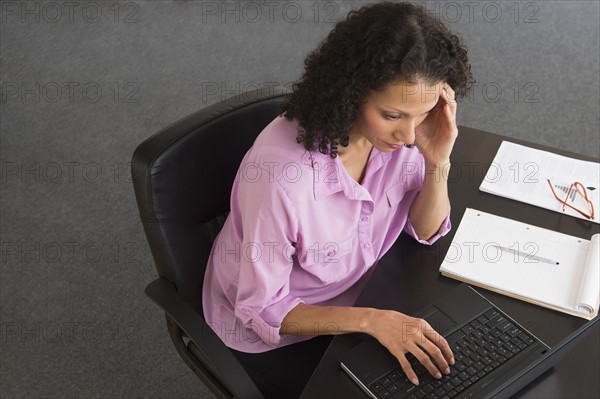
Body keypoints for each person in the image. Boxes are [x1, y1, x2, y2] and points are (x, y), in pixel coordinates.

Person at [202, 1, 474, 397]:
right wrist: (370, 321)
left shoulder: (406, 136)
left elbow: (425, 230)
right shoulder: (282, 181)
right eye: (393, 115)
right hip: (280, 333)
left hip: (367, 290)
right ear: (350, 92)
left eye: (422, 113)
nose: (409, 136)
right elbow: (261, 308)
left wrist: (438, 162)